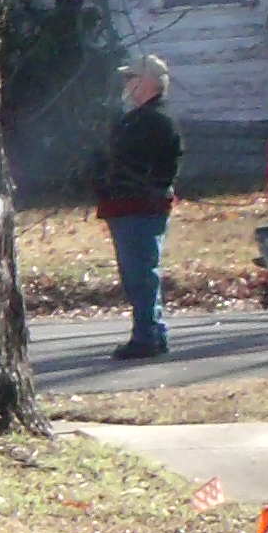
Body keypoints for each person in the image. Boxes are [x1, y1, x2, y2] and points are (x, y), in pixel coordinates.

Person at [94, 52, 181, 362]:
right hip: (129, 207)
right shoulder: (142, 119)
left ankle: (148, 336)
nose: (126, 84)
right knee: (139, 273)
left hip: (139, 208)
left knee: (141, 274)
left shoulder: (153, 121)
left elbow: (150, 164)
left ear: (147, 82)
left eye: (131, 77)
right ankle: (152, 332)